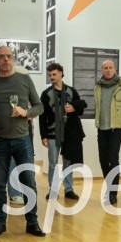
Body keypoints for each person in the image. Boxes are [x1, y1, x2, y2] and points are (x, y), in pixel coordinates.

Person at [0, 45, 45, 237]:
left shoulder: (24, 79)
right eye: (1, 57)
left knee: (28, 182)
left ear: (13, 59)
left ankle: (32, 222)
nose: (5, 60)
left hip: (23, 139)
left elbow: (39, 106)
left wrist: (27, 112)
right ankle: (0, 222)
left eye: (8, 56)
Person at [40, 63, 86, 201]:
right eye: (49, 75)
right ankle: (53, 189)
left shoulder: (72, 91)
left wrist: (74, 108)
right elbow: (42, 116)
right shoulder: (46, 94)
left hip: (69, 133)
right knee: (53, 162)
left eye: (54, 74)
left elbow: (80, 108)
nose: (52, 77)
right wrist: (43, 136)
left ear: (61, 73)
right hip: (52, 133)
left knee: (68, 162)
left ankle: (69, 189)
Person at [94, 60, 121, 206]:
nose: (108, 70)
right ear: (102, 70)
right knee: (103, 159)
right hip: (102, 128)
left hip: (117, 129)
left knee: (113, 158)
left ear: (115, 69)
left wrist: (120, 121)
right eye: (105, 68)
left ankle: (113, 192)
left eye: (110, 68)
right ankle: (109, 184)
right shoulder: (98, 87)